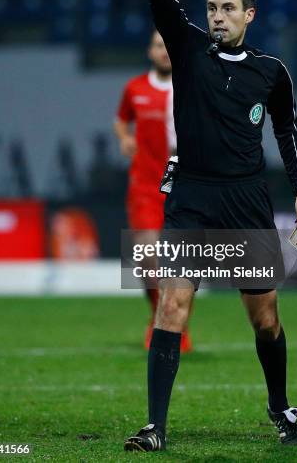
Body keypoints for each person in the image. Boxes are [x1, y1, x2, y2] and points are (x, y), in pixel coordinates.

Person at [122, 0, 297, 452]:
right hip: (191, 200)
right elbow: (160, 0)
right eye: (211, 7)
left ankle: (280, 407)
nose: (217, 16)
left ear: (249, 14)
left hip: (246, 201)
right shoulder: (187, 52)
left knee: (264, 320)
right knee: (173, 304)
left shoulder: (270, 71)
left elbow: (288, 129)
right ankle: (155, 427)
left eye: (227, 8)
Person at [114, 29, 192, 352]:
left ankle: (175, 326)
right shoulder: (135, 89)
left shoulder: (191, 88)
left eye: (168, 46)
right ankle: (160, 317)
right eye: (159, 46)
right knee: (146, 261)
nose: (164, 52)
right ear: (150, 51)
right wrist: (124, 138)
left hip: (184, 187)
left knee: (183, 264)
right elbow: (121, 120)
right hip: (145, 187)